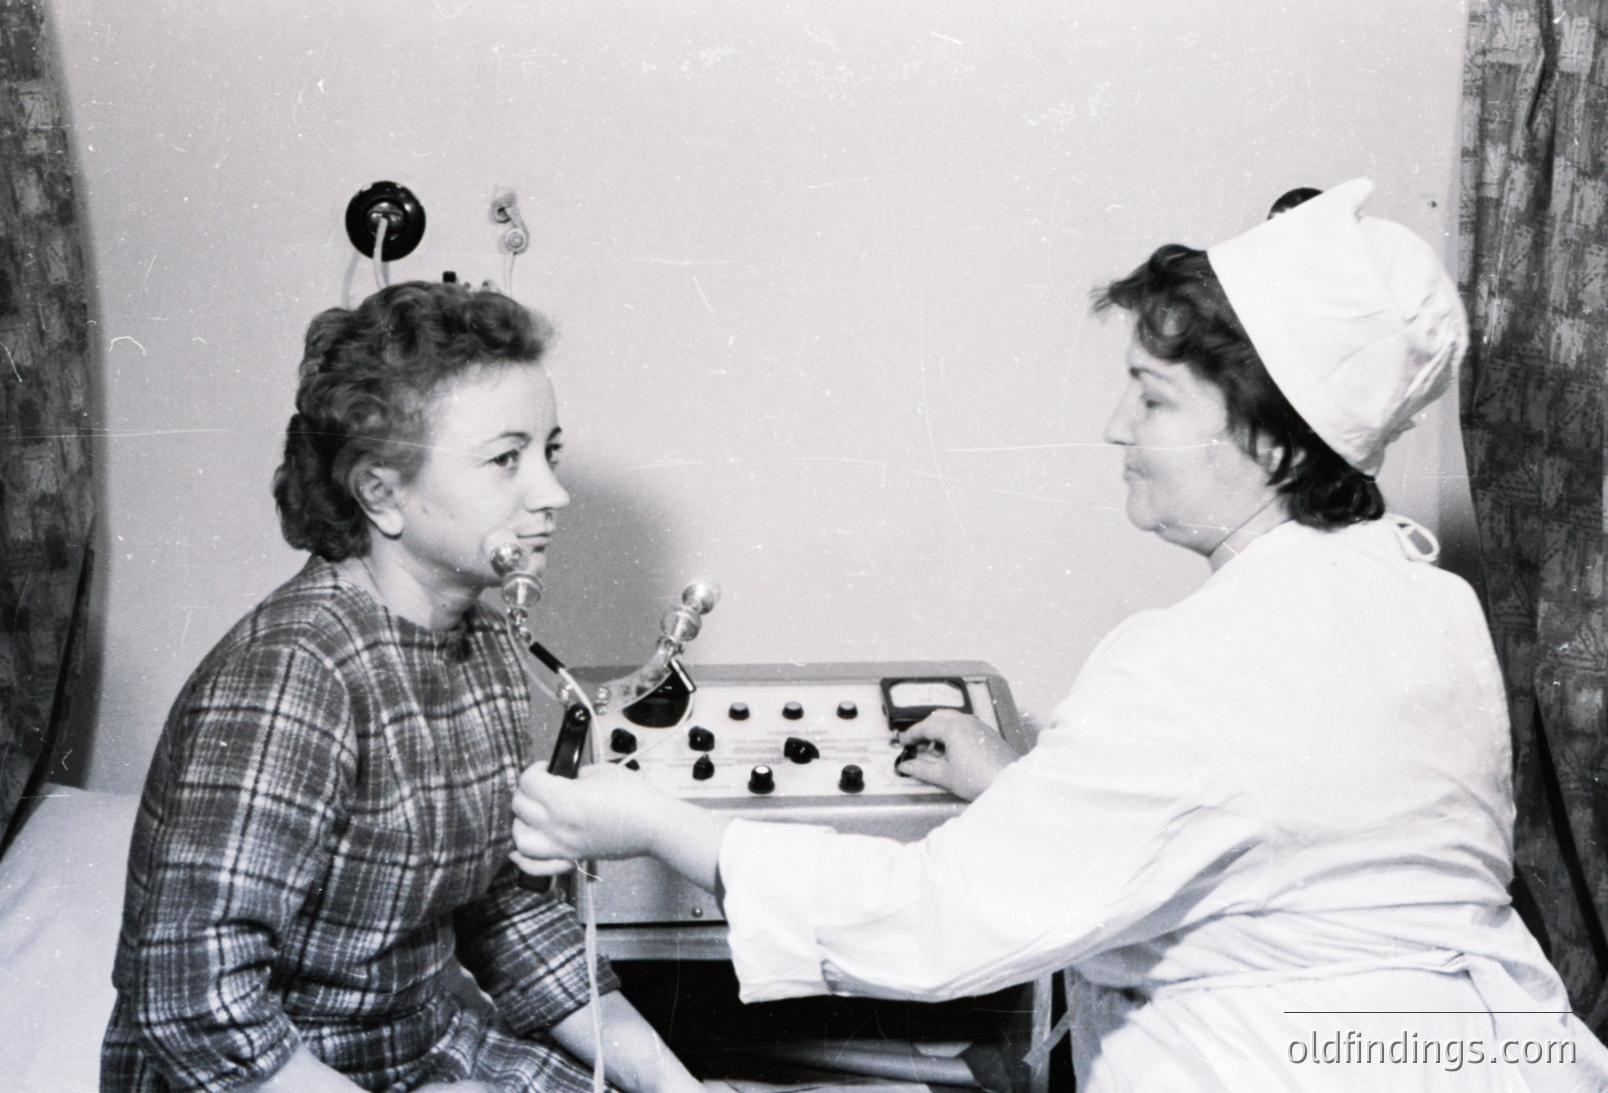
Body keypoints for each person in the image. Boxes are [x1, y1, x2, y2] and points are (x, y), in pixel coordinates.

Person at [509, 179, 1608, 1090]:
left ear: (1274, 444)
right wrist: (1020, 784)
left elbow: (935, 923)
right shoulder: (1431, 602)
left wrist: (654, 819)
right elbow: (1290, 843)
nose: (1115, 428)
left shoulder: (1192, 661)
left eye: (1154, 397)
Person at [101, 282, 703, 1093]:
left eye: (549, 453)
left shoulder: (484, 644)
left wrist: (678, 1088)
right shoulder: (294, 673)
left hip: (422, 1053)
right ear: (381, 492)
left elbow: (506, 912)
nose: (552, 493)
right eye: (506, 459)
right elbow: (192, 1002)